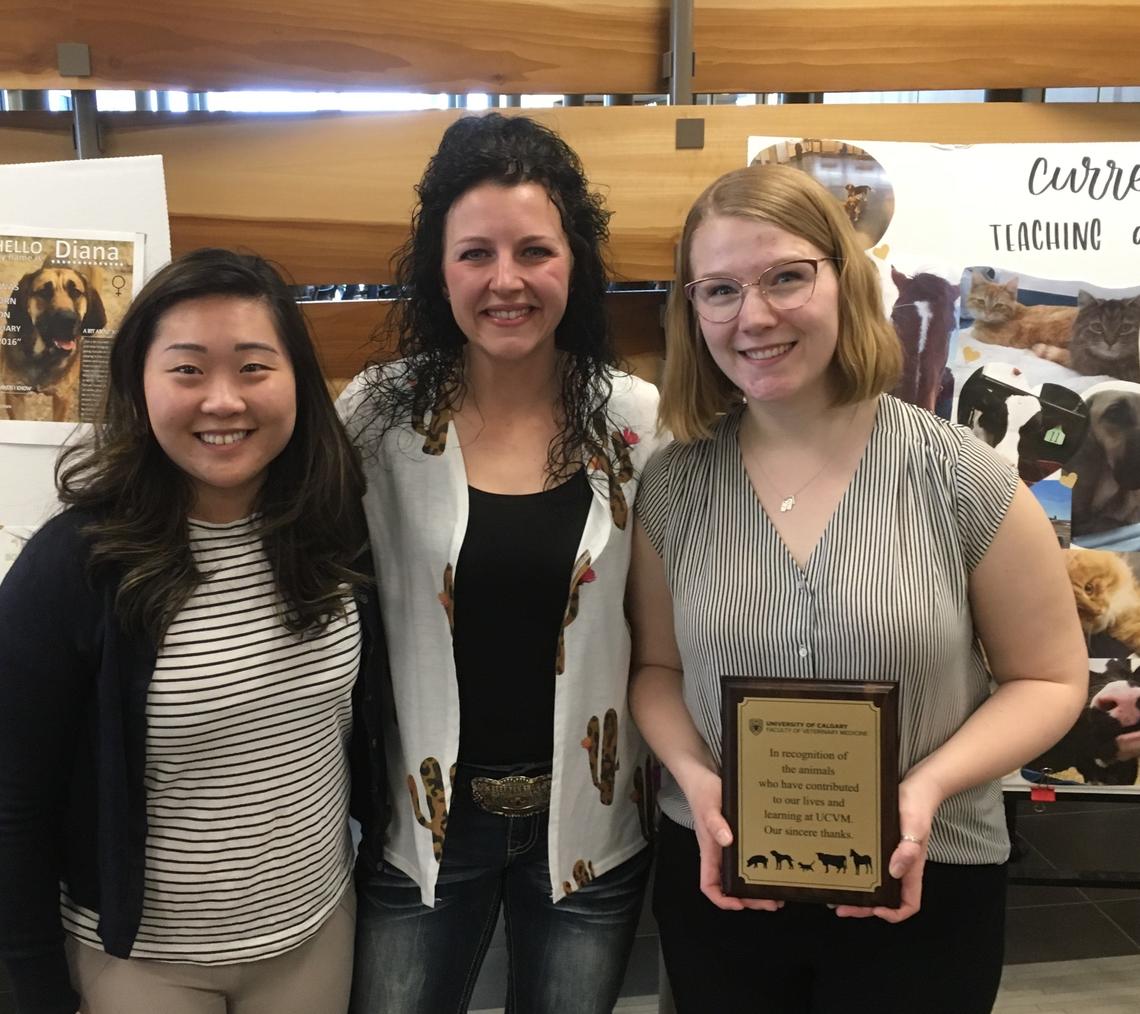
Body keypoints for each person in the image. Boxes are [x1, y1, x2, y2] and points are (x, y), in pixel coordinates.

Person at [626, 163, 1088, 1013]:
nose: (754, 316)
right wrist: (696, 780)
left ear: (847, 278)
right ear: (693, 313)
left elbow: (1050, 679)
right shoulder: (673, 486)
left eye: (786, 277)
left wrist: (925, 789)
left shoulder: (962, 478)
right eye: (719, 290)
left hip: (930, 879)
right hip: (725, 882)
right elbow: (655, 672)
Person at [339, 112, 666, 1014]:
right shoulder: (378, 418)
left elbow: (663, 640)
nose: (506, 281)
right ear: (439, 268)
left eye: (534, 251)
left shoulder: (638, 420)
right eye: (475, 253)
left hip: (590, 826)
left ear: (576, 263)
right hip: (423, 823)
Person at [0, 249, 384, 1014]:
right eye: (186, 370)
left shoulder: (335, 527)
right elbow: (13, 805)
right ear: (139, 385)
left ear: (297, 383)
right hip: (145, 967)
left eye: (252, 367)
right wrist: (35, 986)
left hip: (313, 932)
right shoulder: (74, 566)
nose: (222, 401)